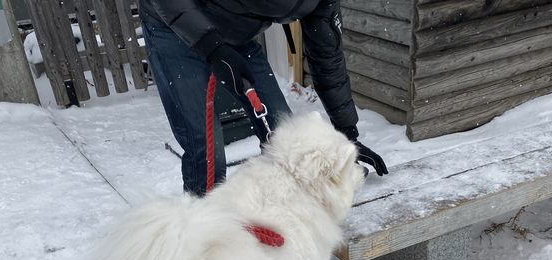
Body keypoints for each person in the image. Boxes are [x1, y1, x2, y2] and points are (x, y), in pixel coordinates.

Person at [139, 0, 389, 195]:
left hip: (236, 36)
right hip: (172, 28)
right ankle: (203, 243)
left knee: (285, 135)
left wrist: (347, 132)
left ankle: (279, 220)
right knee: (206, 148)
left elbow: (327, 57)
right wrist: (213, 48)